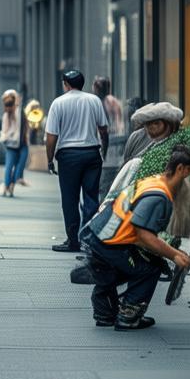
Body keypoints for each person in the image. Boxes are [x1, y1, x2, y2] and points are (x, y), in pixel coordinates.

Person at [86, 145, 190, 330]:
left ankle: (105, 314)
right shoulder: (158, 196)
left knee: (135, 264)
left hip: (99, 236)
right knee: (151, 268)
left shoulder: (154, 181)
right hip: (109, 244)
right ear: (181, 169)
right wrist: (174, 255)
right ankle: (128, 316)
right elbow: (143, 235)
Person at [45, 69, 109, 252]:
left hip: (68, 156)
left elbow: (51, 136)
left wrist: (49, 160)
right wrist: (103, 151)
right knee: (91, 197)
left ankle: (73, 240)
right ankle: (89, 240)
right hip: (91, 154)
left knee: (69, 199)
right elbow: (103, 130)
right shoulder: (94, 100)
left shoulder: (58, 103)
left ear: (66, 84)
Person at [0, 88, 29, 198]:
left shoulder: (20, 111)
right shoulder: (6, 115)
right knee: (9, 167)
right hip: (11, 145)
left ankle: (11, 186)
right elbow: (4, 133)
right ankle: (7, 186)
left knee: (20, 167)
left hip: (23, 144)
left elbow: (17, 99)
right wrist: (10, 135)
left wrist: (13, 96)